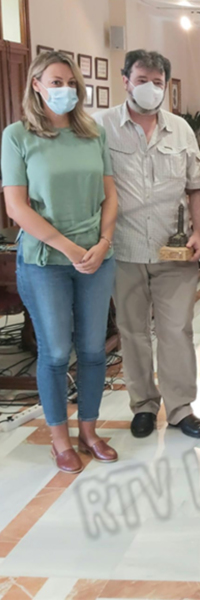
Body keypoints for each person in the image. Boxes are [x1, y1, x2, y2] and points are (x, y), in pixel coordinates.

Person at [2, 52, 118, 473]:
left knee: (92, 350)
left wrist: (104, 242)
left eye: (70, 82)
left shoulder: (92, 133)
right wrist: (69, 248)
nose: (65, 89)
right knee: (54, 352)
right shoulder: (17, 136)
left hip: (97, 258)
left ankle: (88, 431)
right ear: (36, 84)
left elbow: (111, 195)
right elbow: (17, 207)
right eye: (55, 81)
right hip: (46, 260)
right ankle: (59, 439)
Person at [94, 50, 200, 440]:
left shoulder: (181, 130)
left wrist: (199, 232)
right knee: (132, 331)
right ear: (125, 79)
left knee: (176, 330)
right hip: (122, 248)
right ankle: (143, 404)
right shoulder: (100, 127)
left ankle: (180, 408)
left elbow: (196, 188)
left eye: (157, 82)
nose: (150, 88)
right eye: (142, 79)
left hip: (172, 250)